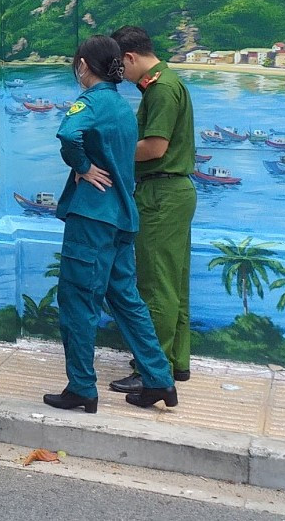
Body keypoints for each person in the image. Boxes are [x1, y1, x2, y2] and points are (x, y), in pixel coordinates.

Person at [44, 35, 177, 413]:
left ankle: (82, 387)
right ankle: (159, 379)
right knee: (125, 298)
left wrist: (82, 166)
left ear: (84, 65)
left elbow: (69, 134)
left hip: (92, 218)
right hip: (122, 216)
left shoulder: (91, 102)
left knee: (77, 301)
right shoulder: (121, 106)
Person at [108, 26, 198, 394]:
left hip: (160, 192)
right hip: (174, 193)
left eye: (120, 67)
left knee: (155, 285)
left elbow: (154, 147)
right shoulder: (166, 83)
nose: (120, 76)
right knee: (174, 281)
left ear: (130, 58)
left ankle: (152, 370)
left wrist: (110, 153)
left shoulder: (160, 89)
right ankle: (175, 361)